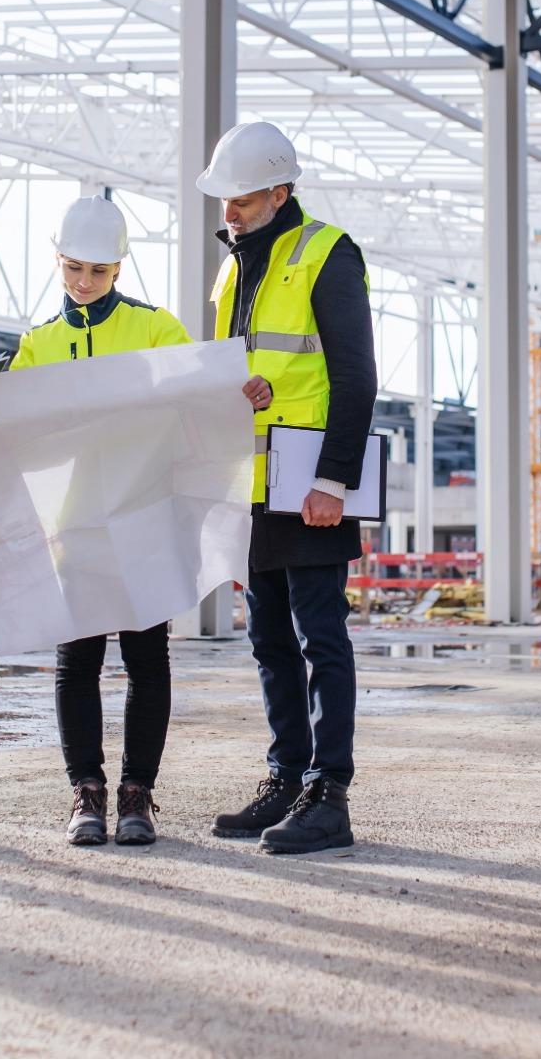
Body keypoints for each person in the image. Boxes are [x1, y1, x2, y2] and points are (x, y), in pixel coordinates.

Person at [3, 195, 225, 846]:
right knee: (78, 662)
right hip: (75, 526)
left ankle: (137, 794)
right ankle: (86, 792)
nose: (83, 283)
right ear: (58, 262)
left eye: (97, 272)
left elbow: (197, 400)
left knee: (146, 658)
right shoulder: (39, 344)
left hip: (144, 519)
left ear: (119, 269)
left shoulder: (156, 329)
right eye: (73, 268)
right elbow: (11, 432)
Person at [199, 123, 378, 854]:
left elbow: (356, 375)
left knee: (320, 639)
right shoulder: (233, 271)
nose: (229, 212)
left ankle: (328, 793)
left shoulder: (327, 254)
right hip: (254, 483)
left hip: (309, 483)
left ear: (279, 192)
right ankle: (286, 774)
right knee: (270, 642)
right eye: (224, 200)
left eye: (241, 199)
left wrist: (335, 480)